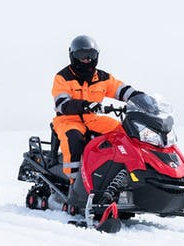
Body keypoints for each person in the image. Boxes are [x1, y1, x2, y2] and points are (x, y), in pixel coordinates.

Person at [52, 35, 142, 181]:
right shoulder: (63, 77)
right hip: (68, 120)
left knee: (124, 133)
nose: (87, 60)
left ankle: (126, 174)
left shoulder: (102, 77)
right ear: (74, 56)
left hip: (92, 119)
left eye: (90, 56)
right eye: (82, 56)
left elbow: (121, 89)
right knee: (73, 139)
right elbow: (62, 104)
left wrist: (139, 97)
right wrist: (85, 105)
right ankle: (74, 182)